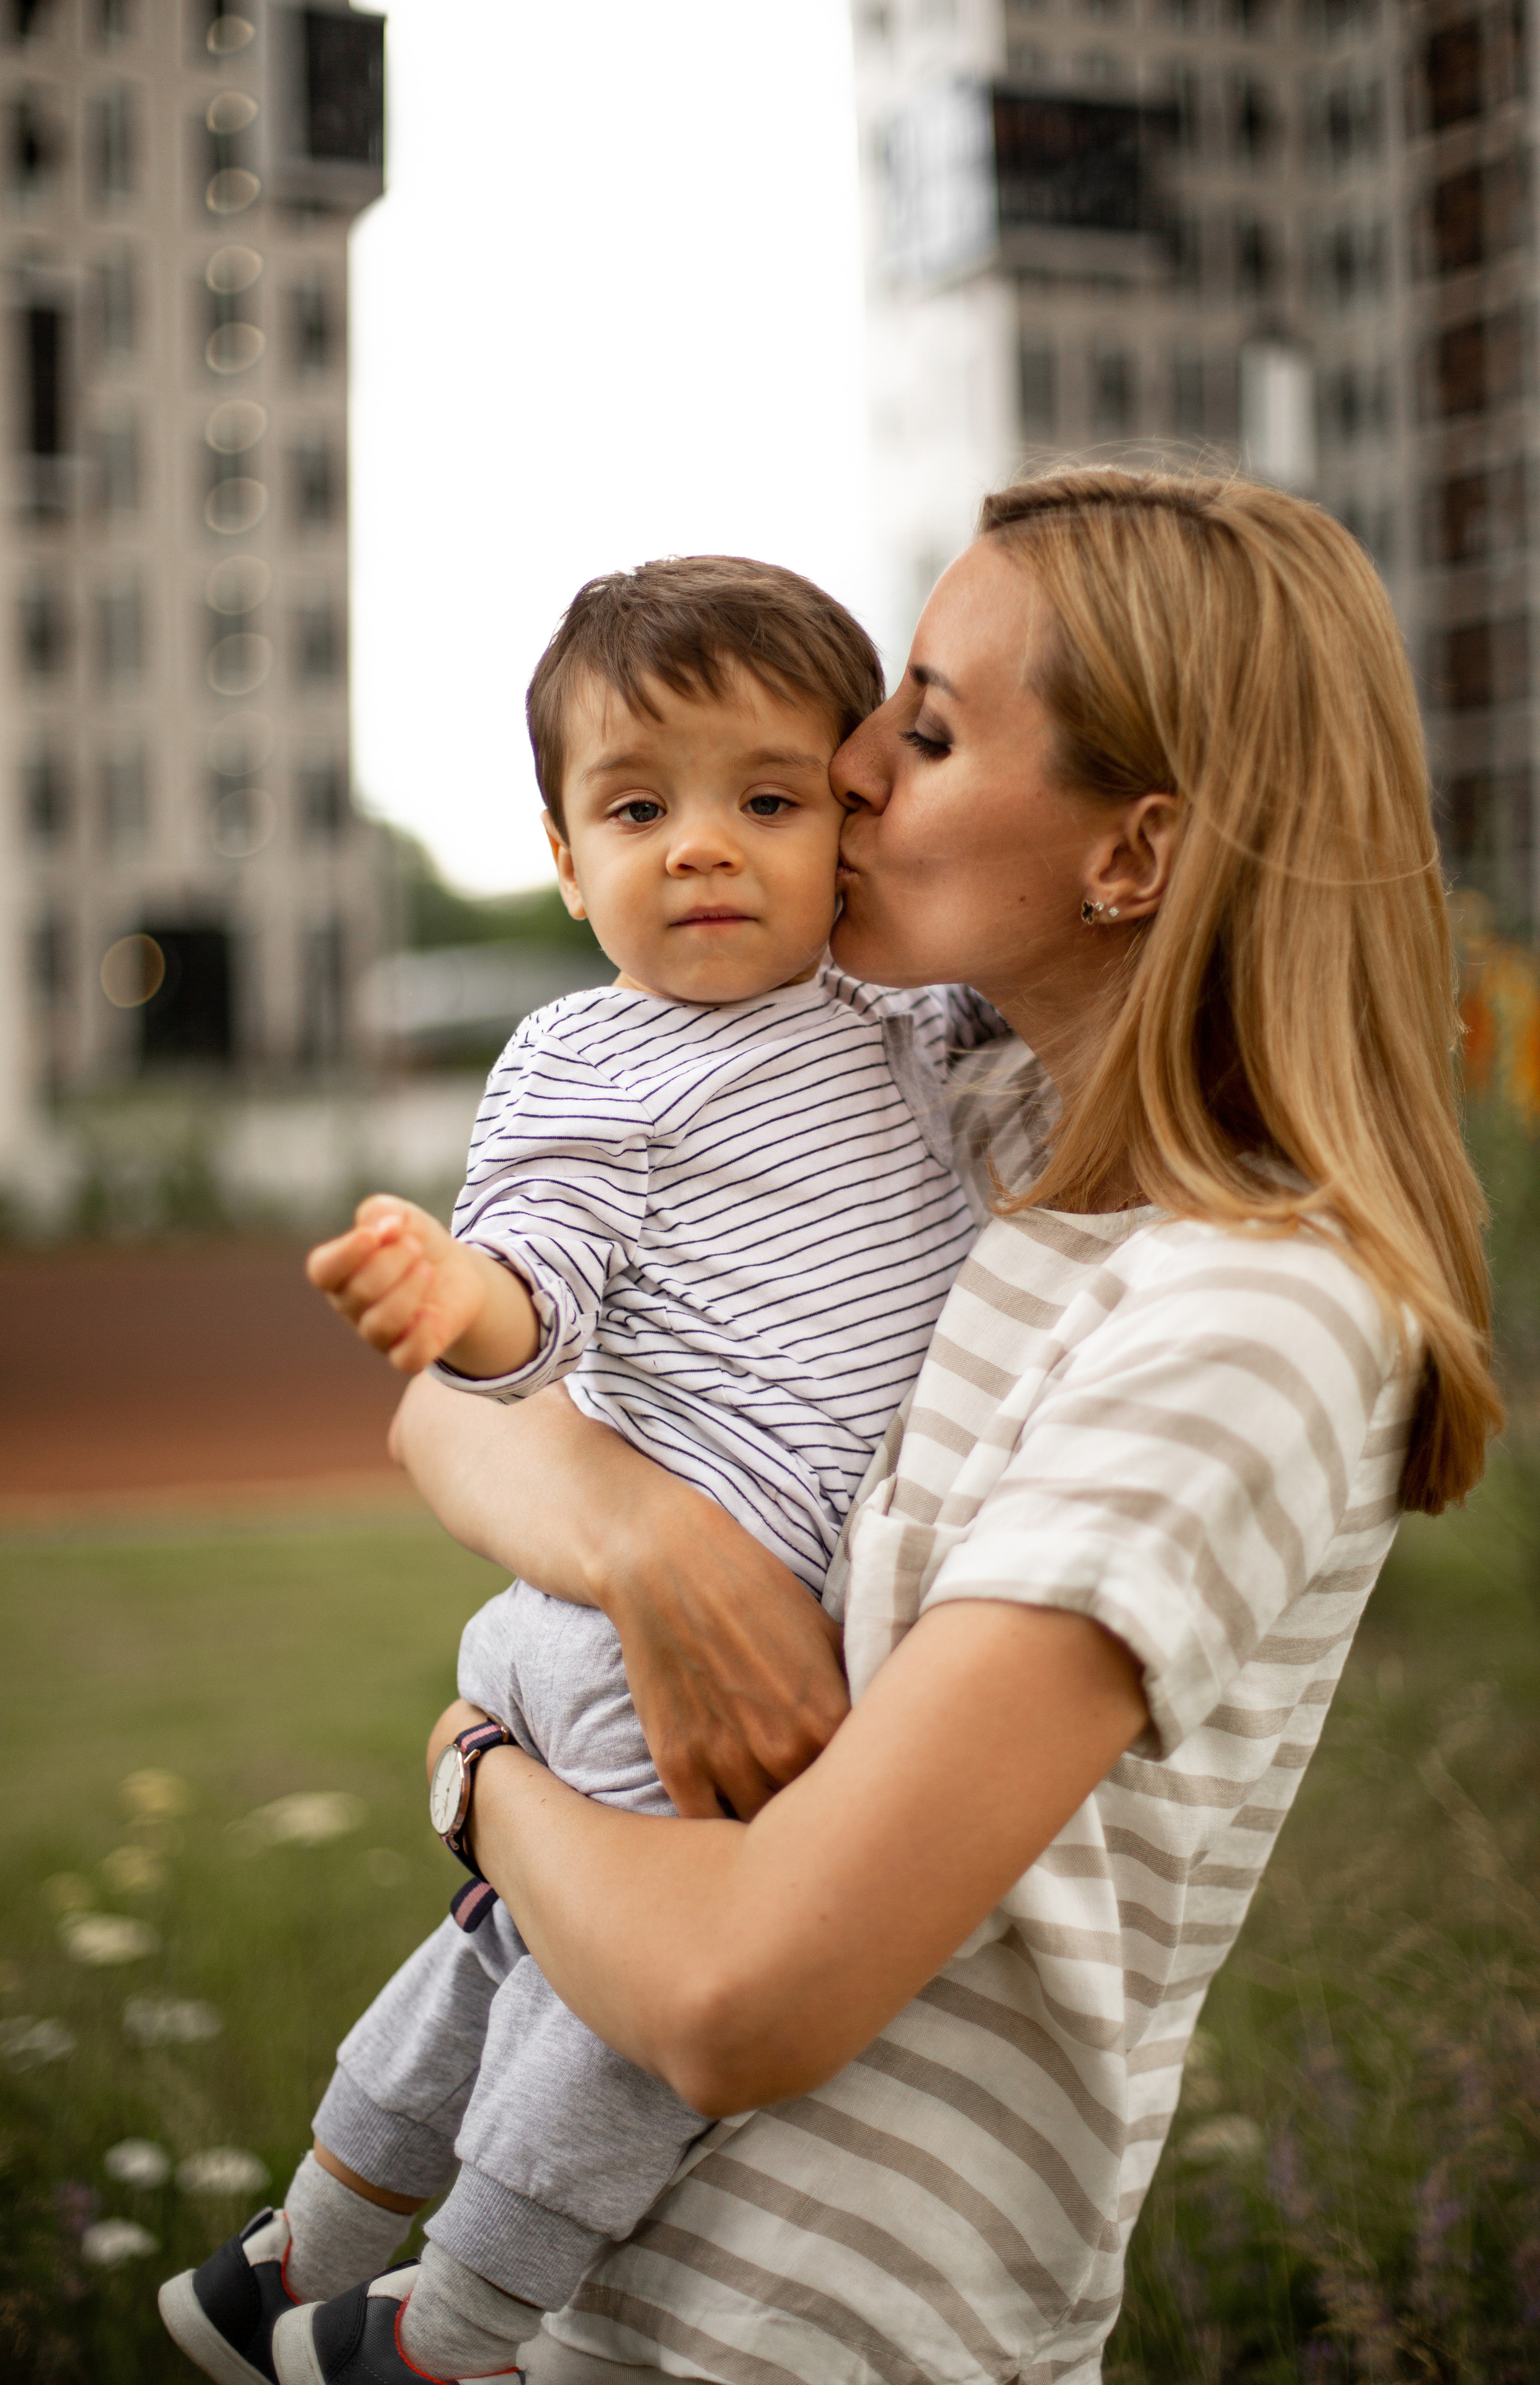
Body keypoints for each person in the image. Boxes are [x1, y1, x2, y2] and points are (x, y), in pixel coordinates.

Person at [201, 465, 1504, 2385]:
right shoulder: (983, 1137)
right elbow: (449, 1414)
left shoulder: (1254, 1317)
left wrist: (484, 1777)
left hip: (833, 2334)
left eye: (935, 722)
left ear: (1134, 854)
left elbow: (740, 2004)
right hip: (630, 2305)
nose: (857, 766)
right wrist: (656, 1545)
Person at [160, 556, 1012, 2385]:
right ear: (566, 861)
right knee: (647, 1985)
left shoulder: (909, 1024)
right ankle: (454, 2327)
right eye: (641, 808)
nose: (703, 847)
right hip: (670, 1627)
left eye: (767, 801)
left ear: (849, 828)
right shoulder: (587, 1056)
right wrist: (449, 1292)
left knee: (519, 1943)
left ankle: (296, 2247)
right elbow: (534, 1294)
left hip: (600, 1621)